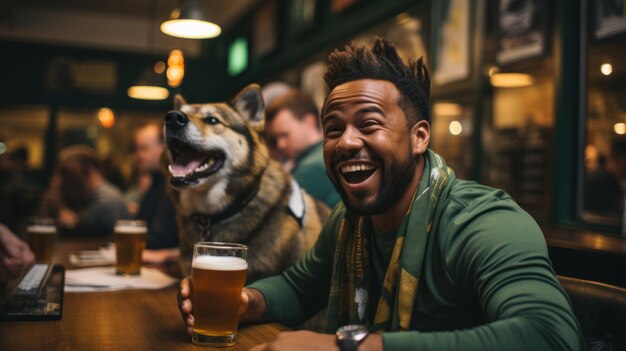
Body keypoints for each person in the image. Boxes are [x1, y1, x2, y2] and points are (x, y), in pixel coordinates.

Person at [178, 38, 583, 350]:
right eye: (333, 129)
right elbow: (300, 288)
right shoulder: (349, 221)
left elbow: (549, 336)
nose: (346, 142)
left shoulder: (483, 221)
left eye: (369, 124)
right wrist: (247, 301)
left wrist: (350, 346)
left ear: (419, 136)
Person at [265, 90, 341, 209]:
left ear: (309, 122)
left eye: (285, 135)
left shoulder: (311, 168)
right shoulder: (323, 155)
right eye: (276, 138)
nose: (280, 145)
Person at [39, 145, 129, 236]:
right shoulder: (87, 197)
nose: (62, 181)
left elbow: (83, 236)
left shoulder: (106, 201)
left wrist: (61, 209)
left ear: (88, 170)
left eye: (68, 173)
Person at [132, 124, 179, 262]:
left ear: (165, 148)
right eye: (137, 149)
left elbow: (159, 239)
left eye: (144, 148)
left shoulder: (174, 184)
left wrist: (169, 255)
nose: (138, 155)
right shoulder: (157, 182)